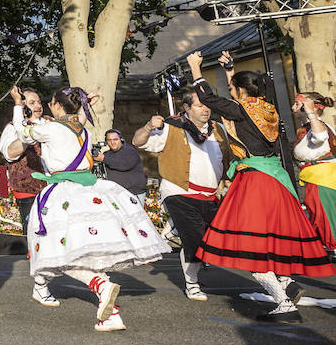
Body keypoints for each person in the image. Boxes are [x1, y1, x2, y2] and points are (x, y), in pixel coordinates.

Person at [189, 51, 335, 318]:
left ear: (242, 91)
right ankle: (288, 284)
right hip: (275, 178)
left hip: (254, 181)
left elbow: (212, 100)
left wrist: (196, 70)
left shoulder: (243, 110)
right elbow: (239, 104)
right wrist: (229, 71)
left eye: (234, 88)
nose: (232, 92)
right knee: (272, 237)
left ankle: (284, 303)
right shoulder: (267, 108)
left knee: (251, 244)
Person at [17, 87, 168, 332]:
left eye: (51, 102)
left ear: (56, 107)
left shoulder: (52, 128)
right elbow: (79, 119)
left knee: (60, 251)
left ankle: (100, 286)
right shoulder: (82, 130)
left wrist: (17, 106)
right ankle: (111, 315)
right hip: (91, 190)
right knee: (81, 251)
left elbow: (24, 134)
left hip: (63, 193)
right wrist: (87, 106)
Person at [133, 91, 230, 300]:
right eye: (199, 106)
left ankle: (174, 229)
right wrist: (149, 127)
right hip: (179, 190)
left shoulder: (219, 130)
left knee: (215, 240)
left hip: (211, 194)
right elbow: (137, 142)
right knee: (193, 238)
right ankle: (192, 284)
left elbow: (226, 160)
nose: (205, 109)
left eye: (207, 106)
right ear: (186, 108)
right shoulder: (171, 129)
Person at [5, 85, 57, 306]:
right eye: (32, 102)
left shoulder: (50, 123)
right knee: (38, 235)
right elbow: (9, 153)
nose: (38, 106)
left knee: (57, 232)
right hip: (27, 188)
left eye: (39, 102)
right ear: (23, 106)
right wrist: (26, 132)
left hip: (53, 187)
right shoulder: (12, 127)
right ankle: (41, 284)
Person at [293, 92, 336, 250]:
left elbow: (319, 137)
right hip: (316, 178)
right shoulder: (309, 128)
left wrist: (311, 113)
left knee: (326, 214)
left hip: (322, 178)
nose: (293, 108)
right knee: (320, 214)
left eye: (297, 105)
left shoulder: (319, 126)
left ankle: (333, 246)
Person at [96, 129, 147, 196]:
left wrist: (103, 159)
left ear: (121, 140)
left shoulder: (130, 151)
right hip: (116, 193)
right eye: (109, 140)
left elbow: (124, 165)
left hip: (134, 193)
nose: (112, 142)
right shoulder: (106, 154)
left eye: (115, 139)